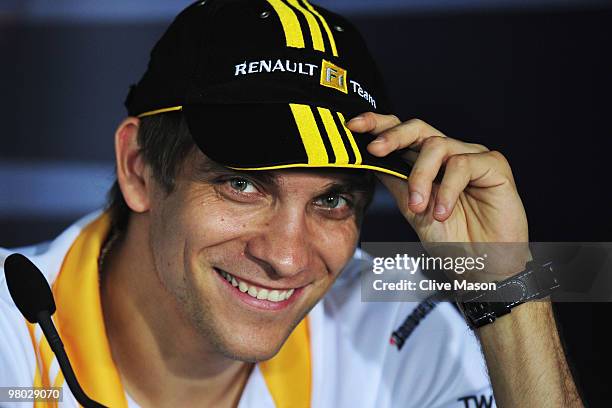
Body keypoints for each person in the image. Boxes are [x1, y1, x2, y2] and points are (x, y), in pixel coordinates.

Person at [0, 1, 582, 407]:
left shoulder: (395, 331)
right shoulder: (9, 337)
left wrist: (505, 285)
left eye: (332, 200)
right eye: (243, 185)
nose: (285, 256)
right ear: (139, 169)